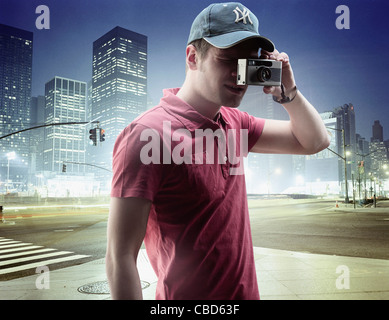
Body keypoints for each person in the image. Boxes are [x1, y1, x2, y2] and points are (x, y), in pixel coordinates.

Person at [106, 2, 330, 300]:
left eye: (248, 64)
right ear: (193, 57)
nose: (240, 76)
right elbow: (119, 256)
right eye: (228, 59)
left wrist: (288, 91)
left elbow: (315, 142)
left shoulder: (236, 123)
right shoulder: (147, 135)